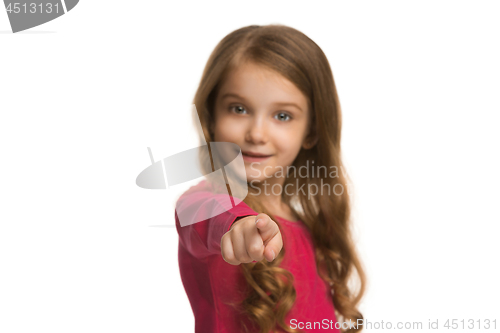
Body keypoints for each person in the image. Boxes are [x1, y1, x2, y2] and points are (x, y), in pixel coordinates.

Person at [175, 24, 366, 333]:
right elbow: (209, 218)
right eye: (239, 109)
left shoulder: (309, 231)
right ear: (211, 116)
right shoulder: (204, 204)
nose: (257, 134)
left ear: (311, 131)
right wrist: (239, 225)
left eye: (282, 116)